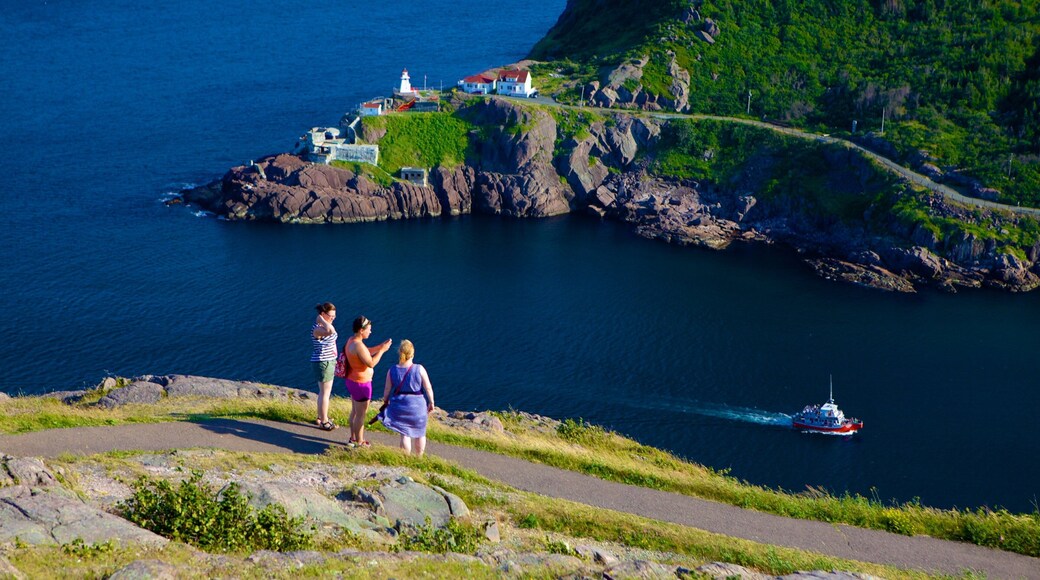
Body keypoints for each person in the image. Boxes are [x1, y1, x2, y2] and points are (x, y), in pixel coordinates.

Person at [380, 340, 435, 456]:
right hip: (418, 405)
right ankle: (419, 457)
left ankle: (406, 458)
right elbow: (428, 388)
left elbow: (387, 389)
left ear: (399, 352)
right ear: (413, 354)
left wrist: (385, 401)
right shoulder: (419, 369)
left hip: (401, 405)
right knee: (420, 433)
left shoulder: (392, 370)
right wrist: (431, 402)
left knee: (405, 433)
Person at [344, 315, 391, 447]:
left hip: (352, 380)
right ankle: (360, 442)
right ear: (361, 330)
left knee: (355, 412)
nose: (370, 332)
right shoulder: (358, 345)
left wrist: (380, 347)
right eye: (368, 329)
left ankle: (353, 438)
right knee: (360, 415)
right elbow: (371, 363)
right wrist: (382, 351)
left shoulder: (352, 340)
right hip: (361, 384)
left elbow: (365, 352)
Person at [310, 302, 338, 431]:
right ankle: (324, 421)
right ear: (322, 314)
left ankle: (321, 417)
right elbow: (331, 331)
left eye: (334, 316)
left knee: (323, 392)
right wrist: (321, 319)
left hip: (326, 361)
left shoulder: (323, 326)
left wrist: (324, 320)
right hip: (324, 362)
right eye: (330, 316)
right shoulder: (317, 329)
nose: (333, 318)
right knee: (325, 393)